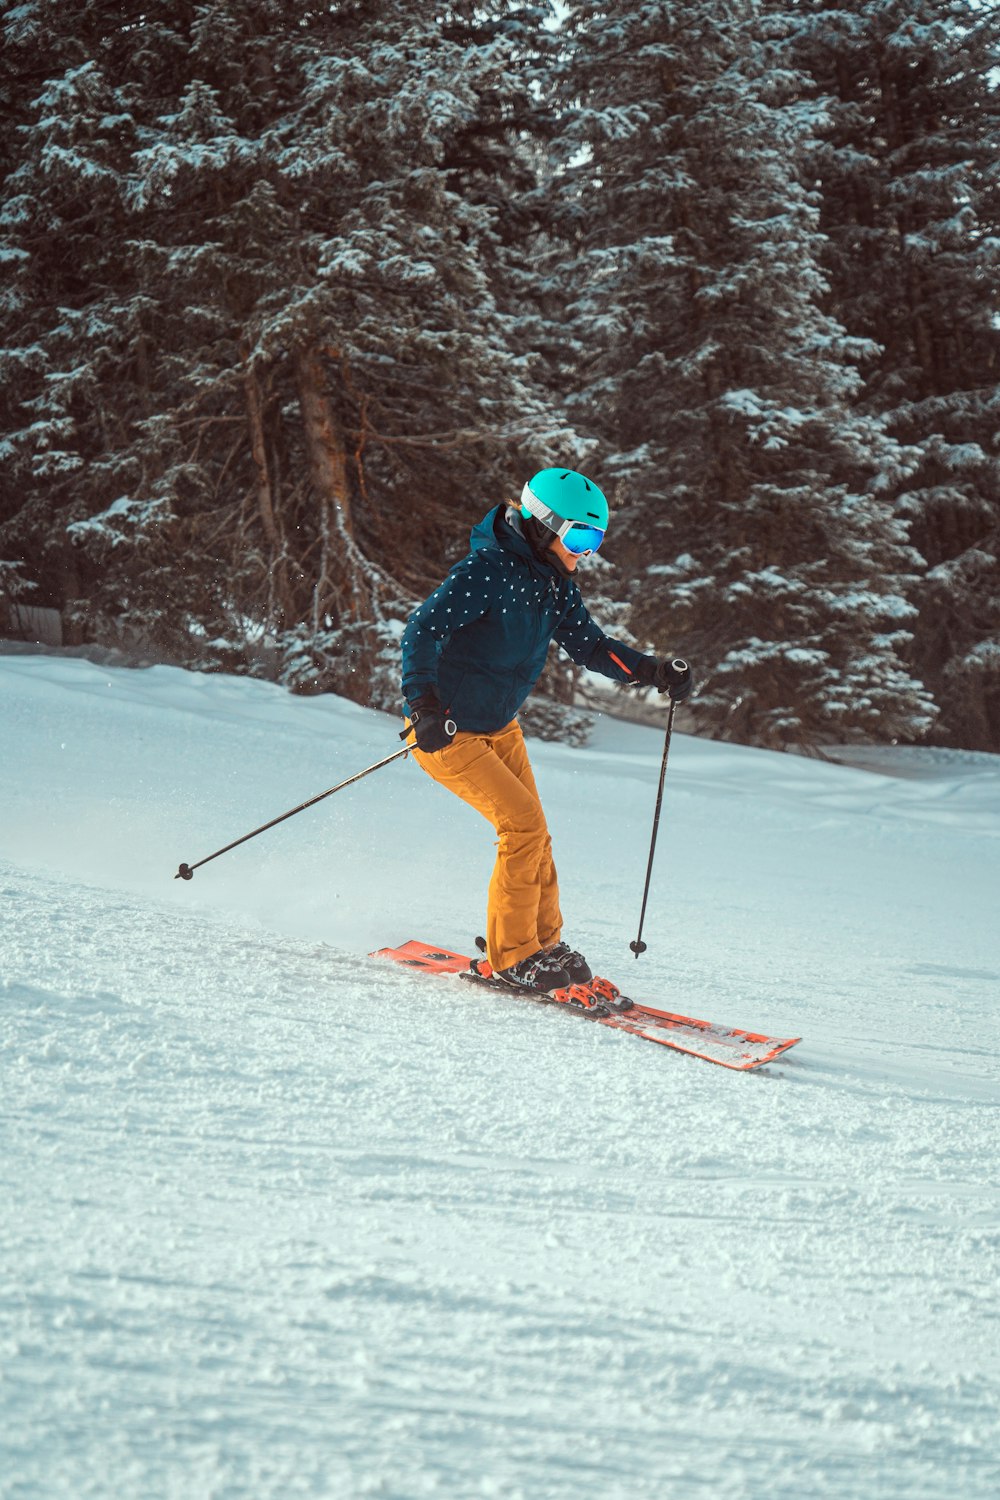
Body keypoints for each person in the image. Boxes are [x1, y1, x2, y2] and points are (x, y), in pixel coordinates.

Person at [400, 467, 692, 994]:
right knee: (523, 828)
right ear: (544, 525)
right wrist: (423, 705)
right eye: (580, 536)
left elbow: (592, 647)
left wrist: (653, 670)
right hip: (446, 729)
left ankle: (544, 943)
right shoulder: (487, 571)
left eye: (596, 539)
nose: (587, 551)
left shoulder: (554, 586)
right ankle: (513, 957)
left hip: (498, 727)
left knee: (536, 833)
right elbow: (424, 627)